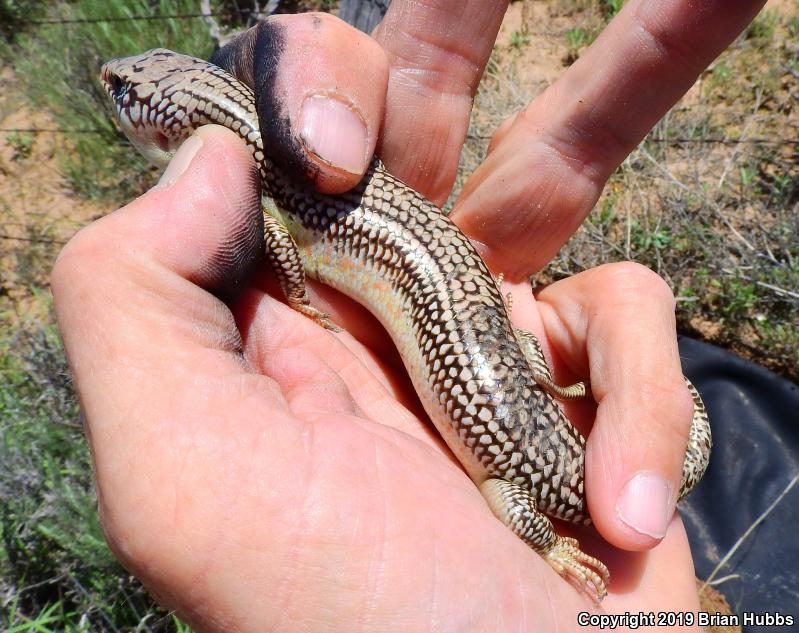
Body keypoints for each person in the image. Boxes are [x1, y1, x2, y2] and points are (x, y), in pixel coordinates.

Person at [52, 1, 764, 628]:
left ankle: (553, 526)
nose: (119, 85)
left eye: (129, 87)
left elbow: (276, 240)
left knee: (511, 493)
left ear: (173, 118)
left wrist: (546, 541)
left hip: (532, 472)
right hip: (480, 346)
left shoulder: (265, 175)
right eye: (128, 84)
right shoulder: (262, 165)